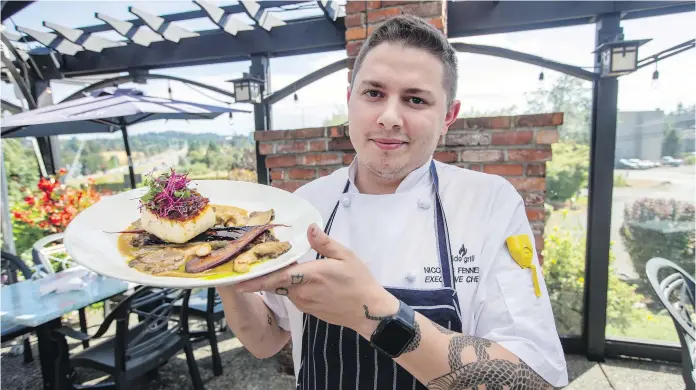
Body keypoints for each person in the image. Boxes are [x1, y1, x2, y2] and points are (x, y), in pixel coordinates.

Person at [217, 14, 568, 390]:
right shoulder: (308, 203)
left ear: (448, 116)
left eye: (415, 99)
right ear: (349, 98)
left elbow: (535, 382)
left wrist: (373, 314)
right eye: (374, 93)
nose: (388, 117)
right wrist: (218, 263)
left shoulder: (488, 204)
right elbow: (266, 339)